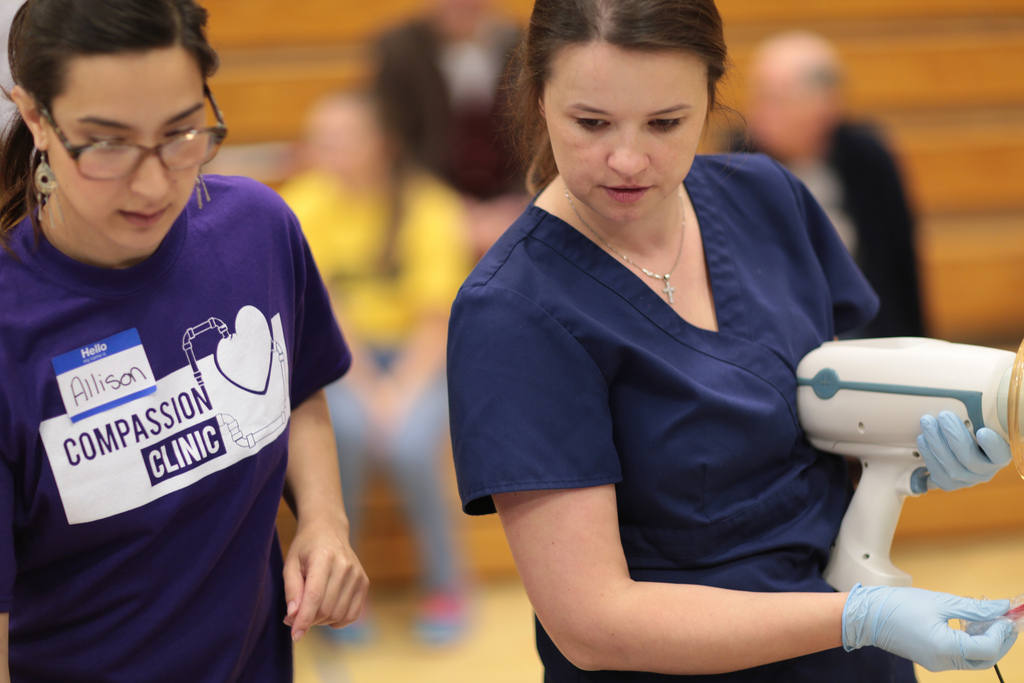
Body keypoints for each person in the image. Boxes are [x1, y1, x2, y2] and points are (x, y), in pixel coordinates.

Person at [446, 1, 1016, 681]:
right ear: (538, 98)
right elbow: (593, 622)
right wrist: (858, 617)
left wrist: (908, 453)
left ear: (711, 96)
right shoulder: (514, 310)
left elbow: (827, 426)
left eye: (666, 123)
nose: (627, 159)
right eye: (591, 123)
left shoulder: (767, 199)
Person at [0, 1, 367, 681]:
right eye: (107, 144)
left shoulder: (258, 230)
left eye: (180, 133)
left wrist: (324, 520)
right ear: (35, 117)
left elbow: (298, 386)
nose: (152, 184)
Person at [278, 90, 473, 645]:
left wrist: (399, 392)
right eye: (320, 141)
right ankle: (340, 591)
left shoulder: (432, 207)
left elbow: (436, 322)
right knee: (345, 436)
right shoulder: (299, 205)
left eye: (343, 140)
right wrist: (369, 390)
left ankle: (446, 585)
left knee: (411, 447)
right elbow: (329, 318)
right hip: (340, 360)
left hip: (419, 360)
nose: (328, 153)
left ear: (383, 145)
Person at [737, 30, 924, 338]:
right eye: (756, 96)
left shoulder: (866, 159)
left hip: (866, 332)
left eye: (775, 100)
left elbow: (899, 268)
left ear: (825, 107)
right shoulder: (737, 161)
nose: (758, 114)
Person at [373, 0, 527, 257]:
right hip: (427, 200)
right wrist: (443, 207)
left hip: (511, 202)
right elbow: (394, 139)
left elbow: (538, 136)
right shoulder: (399, 48)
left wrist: (517, 201)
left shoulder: (522, 43)